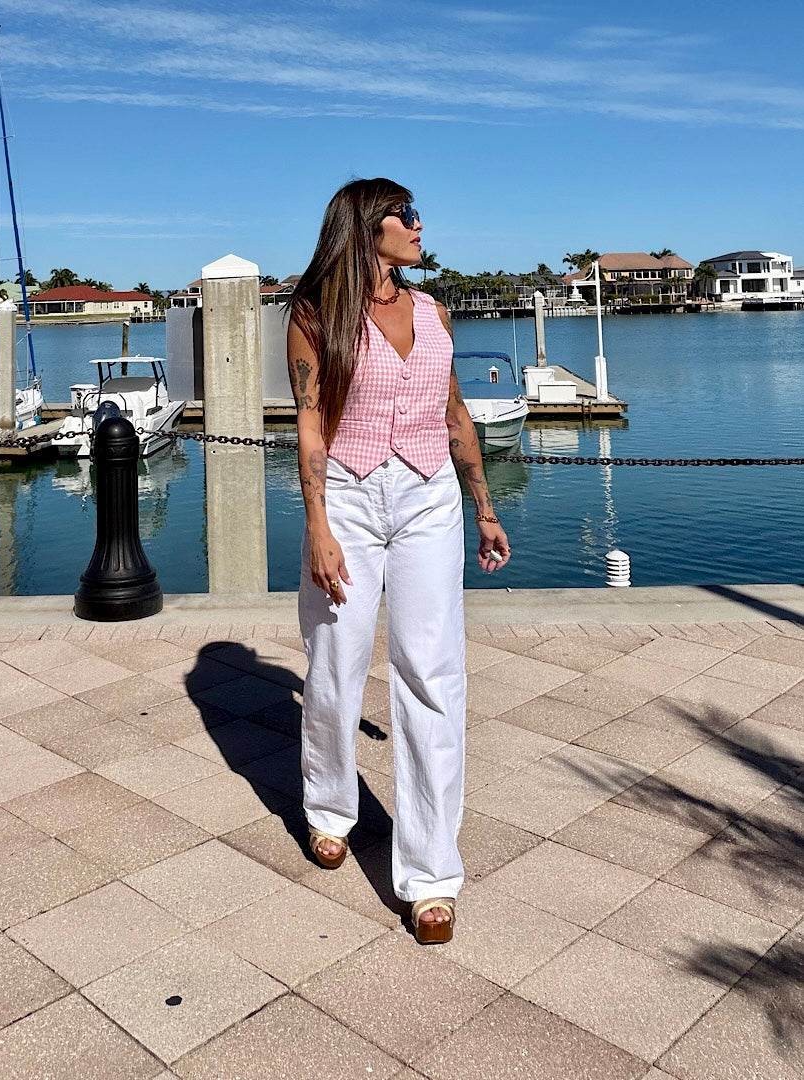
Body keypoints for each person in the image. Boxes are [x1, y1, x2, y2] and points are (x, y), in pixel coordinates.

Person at [285, 177, 510, 944]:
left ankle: (430, 874)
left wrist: (483, 508)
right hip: (347, 498)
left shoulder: (435, 312)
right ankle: (329, 807)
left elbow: (454, 417)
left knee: (431, 671)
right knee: (336, 663)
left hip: (428, 501)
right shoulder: (316, 316)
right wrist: (317, 524)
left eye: (417, 215)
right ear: (364, 226)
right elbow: (310, 426)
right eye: (405, 215)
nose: (419, 226)